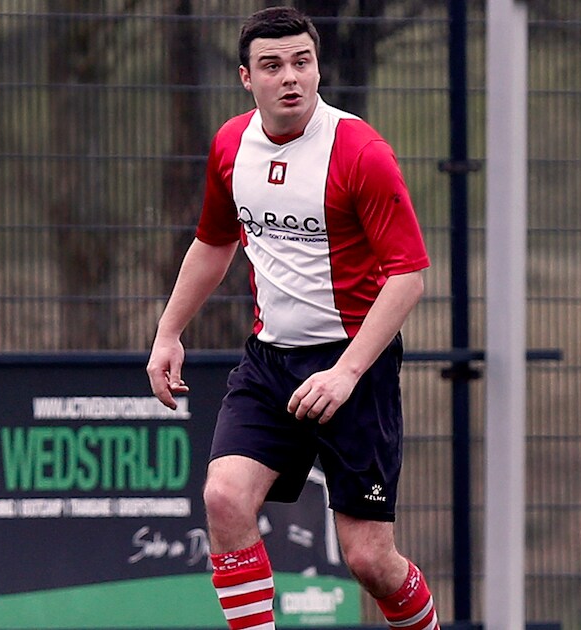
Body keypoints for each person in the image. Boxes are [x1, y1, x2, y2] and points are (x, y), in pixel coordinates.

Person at [146, 6, 439, 630]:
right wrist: (169, 332)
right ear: (246, 78)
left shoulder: (360, 152)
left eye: (302, 62)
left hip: (353, 369)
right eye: (273, 65)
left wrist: (346, 373)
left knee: (368, 560)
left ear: (317, 68)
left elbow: (408, 275)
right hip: (270, 362)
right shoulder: (231, 144)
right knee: (224, 497)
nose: (291, 78)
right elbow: (214, 242)